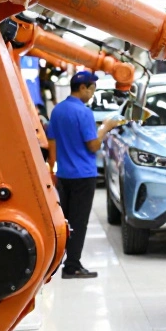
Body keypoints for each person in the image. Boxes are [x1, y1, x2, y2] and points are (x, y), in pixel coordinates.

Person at [46, 71, 115, 279]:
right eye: (92, 89)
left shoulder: (57, 111)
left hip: (65, 175)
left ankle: (56, 261)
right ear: (83, 87)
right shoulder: (84, 113)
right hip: (83, 175)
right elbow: (93, 145)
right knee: (79, 221)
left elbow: (52, 145)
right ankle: (72, 266)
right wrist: (105, 128)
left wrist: (52, 169)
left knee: (66, 220)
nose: (92, 94)